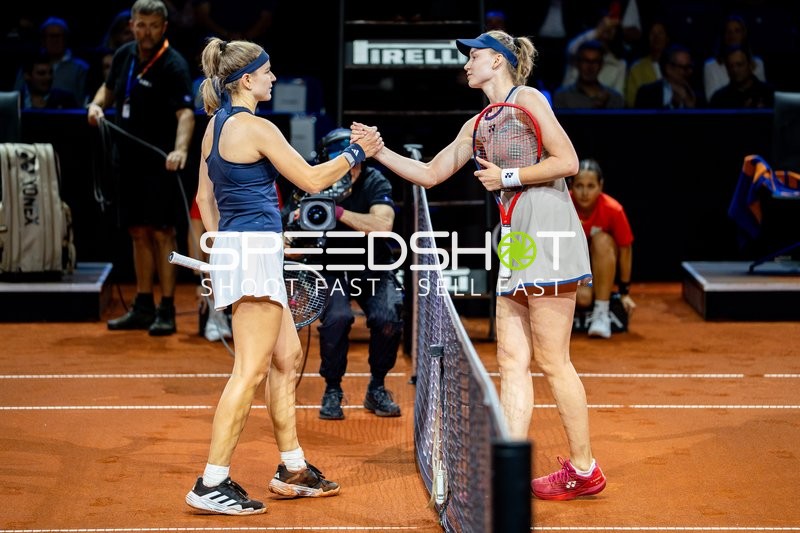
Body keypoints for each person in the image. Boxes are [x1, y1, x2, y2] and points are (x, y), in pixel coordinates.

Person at [352, 29, 606, 501]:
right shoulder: (478, 124)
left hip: (547, 227)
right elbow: (430, 174)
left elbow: (567, 161)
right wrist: (379, 152)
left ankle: (585, 468)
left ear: (499, 60)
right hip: (515, 239)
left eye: (474, 56)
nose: (467, 63)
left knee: (552, 359)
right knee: (511, 359)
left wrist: (508, 175)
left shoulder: (527, 98)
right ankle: (507, 472)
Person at [186, 37, 383, 514]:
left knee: (287, 358)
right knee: (249, 370)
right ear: (247, 79)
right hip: (252, 255)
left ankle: (292, 467)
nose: (274, 77)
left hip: (245, 250)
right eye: (268, 71)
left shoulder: (215, 126)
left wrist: (227, 245)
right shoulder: (256, 128)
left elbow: (205, 199)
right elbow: (313, 180)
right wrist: (359, 152)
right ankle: (211, 482)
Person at [87, 0, 195, 336]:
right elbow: (108, 88)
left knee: (162, 233)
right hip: (126, 161)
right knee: (137, 232)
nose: (145, 31)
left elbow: (186, 114)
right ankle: (143, 304)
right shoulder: (124, 56)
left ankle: (167, 308)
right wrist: (96, 104)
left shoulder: (173, 65)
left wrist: (179, 150)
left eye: (152, 25)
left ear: (164, 27)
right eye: (140, 24)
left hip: (159, 163)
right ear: (132, 25)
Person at [282, 127, 404, 421]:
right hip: (329, 268)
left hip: (372, 264)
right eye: (344, 162)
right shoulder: (310, 183)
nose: (350, 170)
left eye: (355, 163)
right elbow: (287, 241)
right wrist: (297, 226)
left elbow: (383, 226)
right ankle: (332, 388)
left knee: (388, 318)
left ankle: (377, 386)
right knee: (338, 318)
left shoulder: (375, 181)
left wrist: (337, 213)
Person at [569, 158, 635, 339]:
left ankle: (601, 314)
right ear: (571, 186)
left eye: (591, 186)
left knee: (602, 240)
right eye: (579, 186)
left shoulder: (613, 210)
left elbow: (625, 250)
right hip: (575, 269)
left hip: (602, 267)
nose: (584, 192)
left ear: (600, 186)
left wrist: (624, 292)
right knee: (583, 299)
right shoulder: (562, 207)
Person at [703, 14, 766, 103]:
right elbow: (713, 101)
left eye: (737, 31)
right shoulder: (710, 66)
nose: (732, 35)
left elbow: (762, 94)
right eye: (728, 31)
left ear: (744, 34)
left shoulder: (758, 63)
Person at [553, 39, 624, 109]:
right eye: (585, 61)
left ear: (601, 65)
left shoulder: (615, 98)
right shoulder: (562, 97)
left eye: (595, 61)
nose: (590, 67)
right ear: (577, 63)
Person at [634, 43, 699, 109]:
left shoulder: (696, 94)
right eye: (685, 67)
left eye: (690, 67)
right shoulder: (646, 94)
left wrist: (690, 107)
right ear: (669, 68)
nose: (690, 71)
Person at [708, 44, 774, 109]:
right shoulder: (719, 99)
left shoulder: (769, 94)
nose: (735, 70)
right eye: (731, 66)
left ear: (750, 65)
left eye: (739, 65)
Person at [624, 20, 669, 108]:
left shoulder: (675, 67)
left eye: (660, 33)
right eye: (652, 33)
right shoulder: (636, 68)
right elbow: (631, 101)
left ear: (667, 38)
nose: (656, 37)